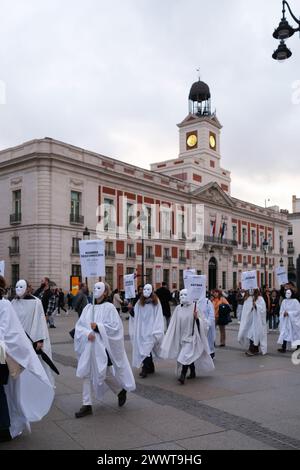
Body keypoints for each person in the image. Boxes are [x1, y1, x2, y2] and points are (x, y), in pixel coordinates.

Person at [0, 276, 54, 442]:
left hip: (8, 354)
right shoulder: (12, 303)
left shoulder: (7, 304)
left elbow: (13, 329)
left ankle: (8, 426)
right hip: (10, 347)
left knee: (8, 392)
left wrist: (37, 340)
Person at [74, 282, 135, 418]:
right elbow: (80, 325)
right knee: (86, 372)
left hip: (103, 347)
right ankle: (87, 404)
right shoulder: (89, 308)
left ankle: (120, 390)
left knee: (104, 372)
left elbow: (115, 327)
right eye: (94, 287)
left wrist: (98, 328)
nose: (95, 290)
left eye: (99, 288)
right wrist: (86, 333)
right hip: (89, 346)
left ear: (105, 292)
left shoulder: (110, 308)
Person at [161, 289, 214, 385]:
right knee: (188, 356)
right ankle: (192, 371)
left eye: (185, 294)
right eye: (181, 295)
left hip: (192, 337)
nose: (182, 297)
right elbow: (174, 323)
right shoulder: (178, 308)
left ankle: (182, 375)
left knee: (184, 356)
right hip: (182, 338)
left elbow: (204, 323)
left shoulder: (195, 307)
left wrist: (197, 318)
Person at [11, 280, 55, 386]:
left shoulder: (36, 302)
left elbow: (40, 321)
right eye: (17, 286)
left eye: (21, 287)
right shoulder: (13, 302)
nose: (19, 289)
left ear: (27, 288)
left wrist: (39, 340)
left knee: (35, 365)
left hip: (32, 339)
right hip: (18, 340)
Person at [130, 284, 164, 378]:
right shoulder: (140, 303)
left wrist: (157, 329)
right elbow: (135, 314)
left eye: (148, 289)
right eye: (144, 289)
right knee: (145, 349)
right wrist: (131, 311)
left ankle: (144, 369)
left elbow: (158, 316)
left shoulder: (156, 303)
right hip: (142, 330)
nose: (145, 291)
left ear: (152, 290)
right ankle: (150, 366)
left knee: (146, 349)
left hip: (151, 330)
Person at [238, 289, 267, 356]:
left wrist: (256, 306)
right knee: (249, 334)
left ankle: (252, 349)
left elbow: (263, 310)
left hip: (257, 321)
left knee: (254, 334)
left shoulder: (260, 299)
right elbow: (245, 311)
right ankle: (254, 348)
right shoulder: (248, 299)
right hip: (249, 322)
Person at [277, 288, 300, 353]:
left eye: (289, 293)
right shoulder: (284, 301)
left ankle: (298, 347)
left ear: (292, 293)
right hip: (286, 321)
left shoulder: (295, 301)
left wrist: (289, 313)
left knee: (295, 334)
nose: (287, 294)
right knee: (284, 333)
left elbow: (298, 311)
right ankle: (283, 347)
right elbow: (281, 310)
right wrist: (283, 313)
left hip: (293, 321)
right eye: (286, 293)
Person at [197, 294, 216, 359]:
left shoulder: (207, 302)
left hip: (207, 325)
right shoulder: (194, 301)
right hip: (198, 325)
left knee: (209, 340)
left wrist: (208, 323)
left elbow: (211, 314)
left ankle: (211, 352)